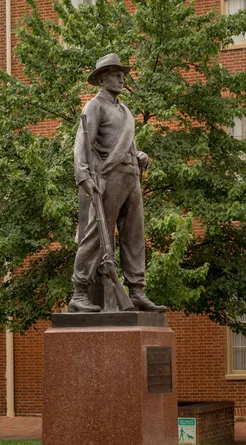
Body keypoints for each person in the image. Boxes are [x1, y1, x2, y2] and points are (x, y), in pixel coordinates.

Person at [68, 54, 166, 313]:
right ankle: (79, 291)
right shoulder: (94, 106)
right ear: (101, 79)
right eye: (115, 74)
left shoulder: (124, 110)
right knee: (96, 234)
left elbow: (125, 145)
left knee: (134, 234)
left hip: (131, 177)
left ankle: (136, 291)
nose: (122, 78)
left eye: (122, 74)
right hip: (108, 177)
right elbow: (81, 146)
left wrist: (139, 156)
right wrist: (84, 177)